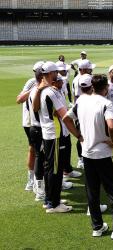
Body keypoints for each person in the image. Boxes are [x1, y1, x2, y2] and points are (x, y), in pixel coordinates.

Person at [63, 74, 113, 240]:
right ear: (106, 88)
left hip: (87, 154)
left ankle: (97, 227)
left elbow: (66, 118)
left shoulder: (81, 101)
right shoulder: (106, 103)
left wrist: (78, 136)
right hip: (104, 154)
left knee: (92, 191)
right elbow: (111, 125)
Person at [32, 61, 73, 213]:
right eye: (56, 72)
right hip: (54, 134)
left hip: (50, 133)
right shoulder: (47, 91)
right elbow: (63, 115)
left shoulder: (45, 89)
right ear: (50, 74)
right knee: (54, 169)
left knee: (51, 168)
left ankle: (50, 199)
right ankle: (53, 204)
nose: (58, 74)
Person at [16, 61, 44, 191]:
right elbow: (19, 99)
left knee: (42, 152)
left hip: (41, 121)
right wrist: (36, 89)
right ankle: (31, 181)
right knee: (34, 150)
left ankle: (42, 181)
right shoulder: (31, 82)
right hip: (30, 122)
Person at [71, 59, 95, 169]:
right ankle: (81, 159)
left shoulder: (84, 78)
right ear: (84, 69)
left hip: (86, 109)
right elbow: (77, 97)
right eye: (90, 69)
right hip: (82, 111)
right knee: (81, 135)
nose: (91, 70)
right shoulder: (79, 80)